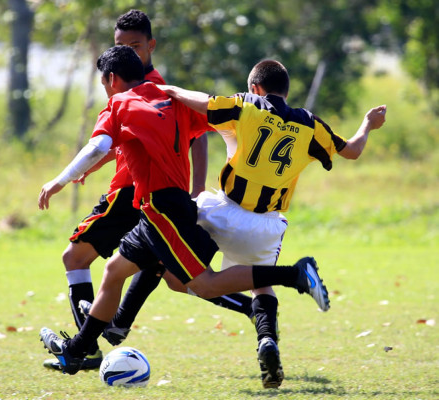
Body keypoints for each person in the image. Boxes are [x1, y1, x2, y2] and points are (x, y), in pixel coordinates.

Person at [37, 45, 329, 378]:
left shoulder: (118, 103)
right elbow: (212, 125)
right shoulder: (170, 100)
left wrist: (60, 180)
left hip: (163, 210)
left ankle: (293, 275)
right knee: (115, 271)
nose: (106, 91)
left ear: (112, 79)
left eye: (104, 84)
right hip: (161, 209)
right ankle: (77, 351)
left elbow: (100, 145)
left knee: (202, 284)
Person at [150, 59, 386, 388]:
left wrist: (169, 89)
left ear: (255, 88)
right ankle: (267, 341)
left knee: (173, 270)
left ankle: (113, 321)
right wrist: (367, 124)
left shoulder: (247, 105)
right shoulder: (310, 124)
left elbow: (203, 101)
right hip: (265, 227)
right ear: (286, 92)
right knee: (261, 285)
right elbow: (354, 151)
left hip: (219, 212)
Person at [44, 9, 250, 372]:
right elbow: (122, 144)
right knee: (157, 273)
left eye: (135, 45)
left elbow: (191, 137)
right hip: (149, 194)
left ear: (150, 46)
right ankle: (105, 332)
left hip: (136, 192)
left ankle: (86, 349)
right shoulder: (154, 89)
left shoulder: (139, 92)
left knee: (77, 259)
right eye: (121, 45)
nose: (128, 51)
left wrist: (197, 188)